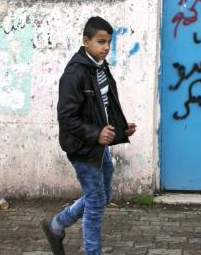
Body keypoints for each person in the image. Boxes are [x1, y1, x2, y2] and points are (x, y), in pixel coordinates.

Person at [42, 16, 137, 255]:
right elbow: (67, 117)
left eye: (108, 42)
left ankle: (56, 225)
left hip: (98, 145)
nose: (106, 47)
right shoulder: (75, 73)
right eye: (100, 42)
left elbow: (103, 107)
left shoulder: (100, 67)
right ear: (86, 42)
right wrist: (95, 134)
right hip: (81, 147)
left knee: (102, 196)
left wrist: (120, 128)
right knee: (96, 201)